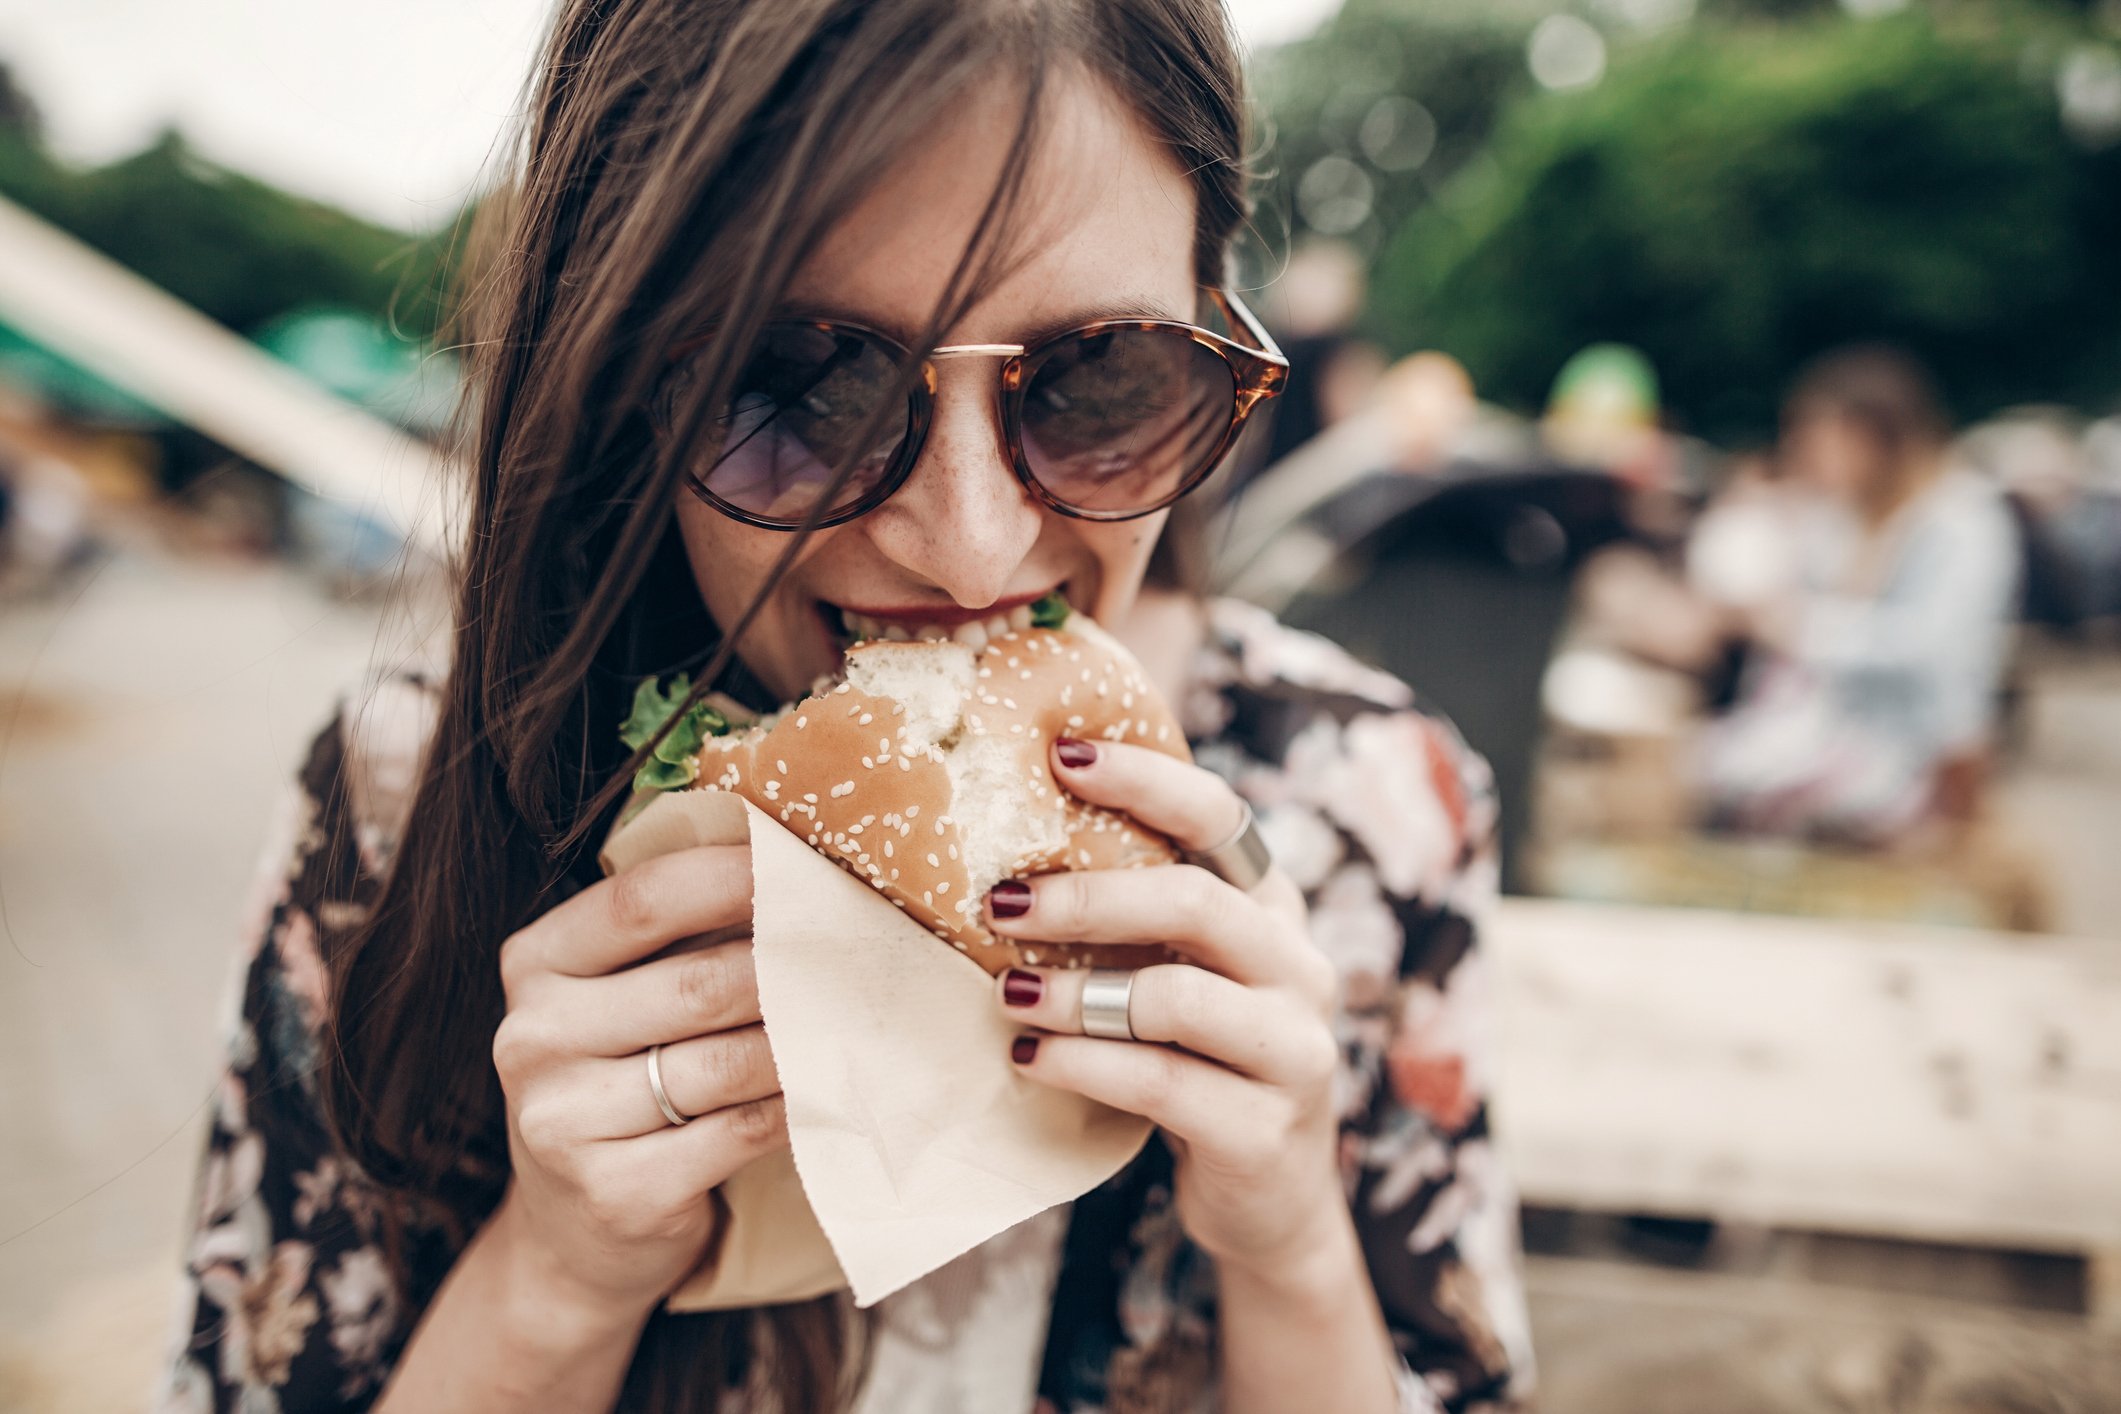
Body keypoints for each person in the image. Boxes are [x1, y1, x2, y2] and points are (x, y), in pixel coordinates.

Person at [154, 3, 1533, 1411]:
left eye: (1101, 375)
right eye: (801, 388)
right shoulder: (401, 802)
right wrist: (558, 1279)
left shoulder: (1376, 805)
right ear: (615, 376)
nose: (968, 546)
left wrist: (1293, 1241)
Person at [1697, 346, 2021, 844]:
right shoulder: (1846, 518)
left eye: (1822, 440)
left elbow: (1934, 654)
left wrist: (1798, 627)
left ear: (1877, 437)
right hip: (1835, 736)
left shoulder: (1962, 521)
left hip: (1919, 758)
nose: (1807, 456)